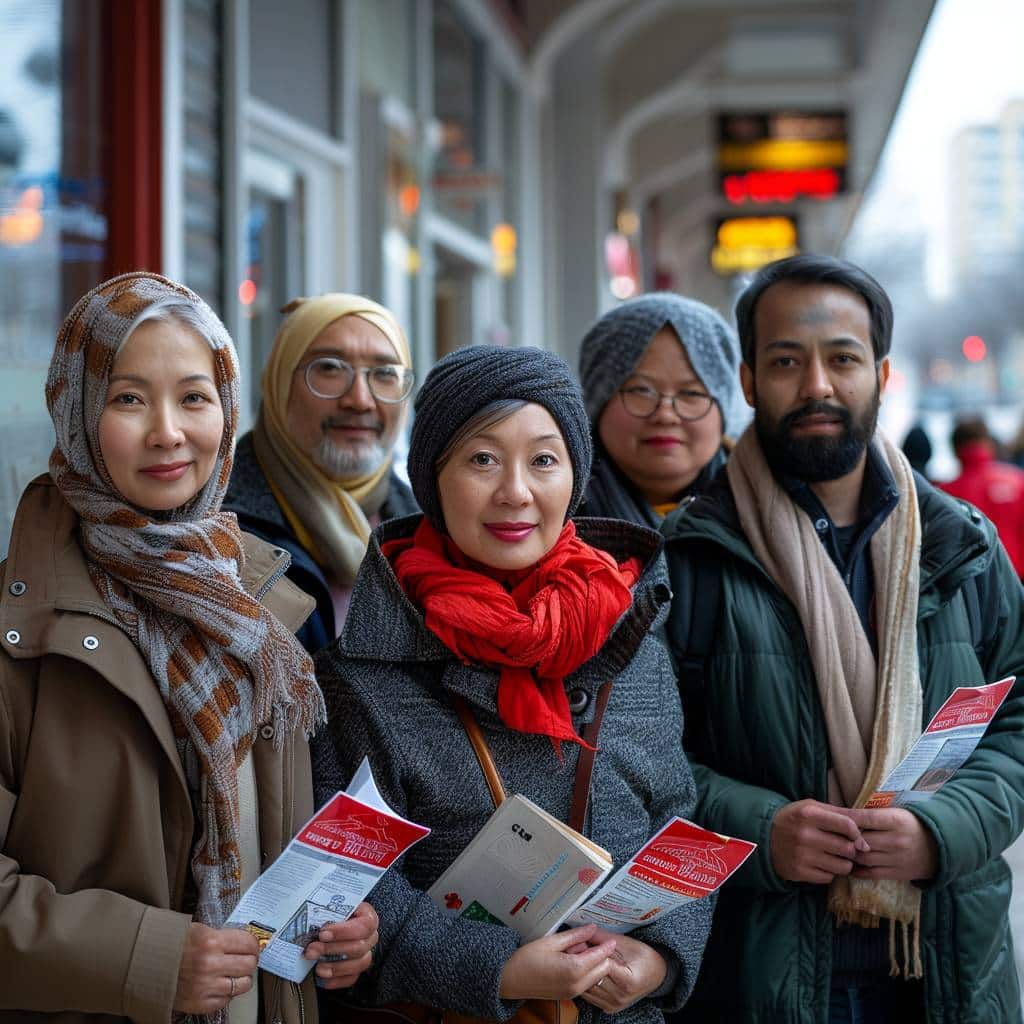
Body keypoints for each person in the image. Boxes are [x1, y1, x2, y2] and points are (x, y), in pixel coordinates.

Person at [0, 273, 378, 1023]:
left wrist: (342, 925)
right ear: (76, 411)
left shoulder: (259, 608)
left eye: (195, 398)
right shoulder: (21, 625)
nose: (168, 432)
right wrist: (146, 959)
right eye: (129, 398)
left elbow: (274, 841)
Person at [660, 255, 1024, 1023]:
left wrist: (941, 830)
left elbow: (1018, 723)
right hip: (758, 973)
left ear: (882, 375)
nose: (818, 385)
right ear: (750, 382)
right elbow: (641, 766)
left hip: (946, 966)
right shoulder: (685, 558)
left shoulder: (963, 548)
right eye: (787, 361)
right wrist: (763, 834)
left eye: (843, 358)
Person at [312, 345, 712, 1023]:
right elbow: (346, 885)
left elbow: (675, 820)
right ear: (433, 477)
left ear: (575, 475)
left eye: (544, 460)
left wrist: (659, 958)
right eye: (482, 459)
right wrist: (501, 969)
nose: (516, 492)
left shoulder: (628, 633)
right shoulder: (364, 674)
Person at [224, 294, 418, 654]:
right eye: (329, 368)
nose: (360, 399)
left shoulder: (428, 528)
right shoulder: (217, 528)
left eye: (385, 374)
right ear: (280, 385)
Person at [577, 293, 742, 526]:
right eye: (641, 390)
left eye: (691, 393)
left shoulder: (764, 512)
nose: (665, 415)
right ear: (597, 402)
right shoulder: (549, 517)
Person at [938, 416, 1024, 578]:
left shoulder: (944, 494)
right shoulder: (1018, 481)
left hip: (970, 586)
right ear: (988, 445)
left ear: (955, 450)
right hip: (1018, 577)